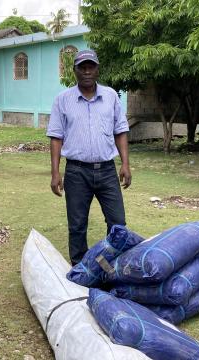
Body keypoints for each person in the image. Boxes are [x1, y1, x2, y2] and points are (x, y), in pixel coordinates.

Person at [46, 49, 132, 265]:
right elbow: (56, 137)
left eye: (90, 66)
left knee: (117, 222)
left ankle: (114, 265)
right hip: (76, 172)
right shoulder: (62, 100)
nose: (86, 71)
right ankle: (79, 268)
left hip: (106, 170)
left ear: (97, 69)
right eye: (81, 67)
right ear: (74, 70)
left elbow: (120, 131)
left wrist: (125, 164)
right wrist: (55, 173)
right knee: (77, 225)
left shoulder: (111, 96)